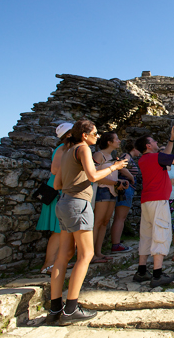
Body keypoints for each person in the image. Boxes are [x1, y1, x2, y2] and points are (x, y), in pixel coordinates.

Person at [50, 120, 128, 326]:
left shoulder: (66, 151)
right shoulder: (83, 148)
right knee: (86, 254)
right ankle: (71, 309)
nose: (97, 136)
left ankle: (55, 307)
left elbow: (57, 183)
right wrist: (115, 166)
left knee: (63, 256)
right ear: (84, 135)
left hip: (64, 203)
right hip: (78, 204)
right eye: (94, 133)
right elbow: (93, 176)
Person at [132, 126, 174, 288]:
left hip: (146, 201)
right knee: (161, 233)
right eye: (153, 141)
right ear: (148, 146)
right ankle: (157, 273)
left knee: (146, 235)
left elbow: (165, 155)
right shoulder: (156, 158)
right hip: (159, 200)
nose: (156, 142)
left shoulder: (144, 159)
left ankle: (141, 271)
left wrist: (171, 139)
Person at [37, 122, 73, 274]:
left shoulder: (69, 149)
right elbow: (55, 169)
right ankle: (48, 265)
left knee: (62, 230)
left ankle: (57, 262)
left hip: (64, 190)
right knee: (58, 230)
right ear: (69, 134)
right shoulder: (62, 148)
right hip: (59, 191)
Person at [92, 132, 133, 263]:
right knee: (97, 222)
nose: (119, 141)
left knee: (105, 223)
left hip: (112, 192)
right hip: (102, 190)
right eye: (116, 139)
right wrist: (116, 183)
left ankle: (98, 252)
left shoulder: (112, 156)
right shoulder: (99, 155)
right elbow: (96, 175)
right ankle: (90, 254)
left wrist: (119, 183)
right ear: (109, 142)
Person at [110, 140, 141, 253]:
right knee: (120, 218)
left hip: (127, 189)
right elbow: (120, 167)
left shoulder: (127, 156)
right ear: (134, 148)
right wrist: (131, 178)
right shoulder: (126, 156)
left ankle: (116, 240)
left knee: (120, 217)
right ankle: (116, 244)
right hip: (125, 189)